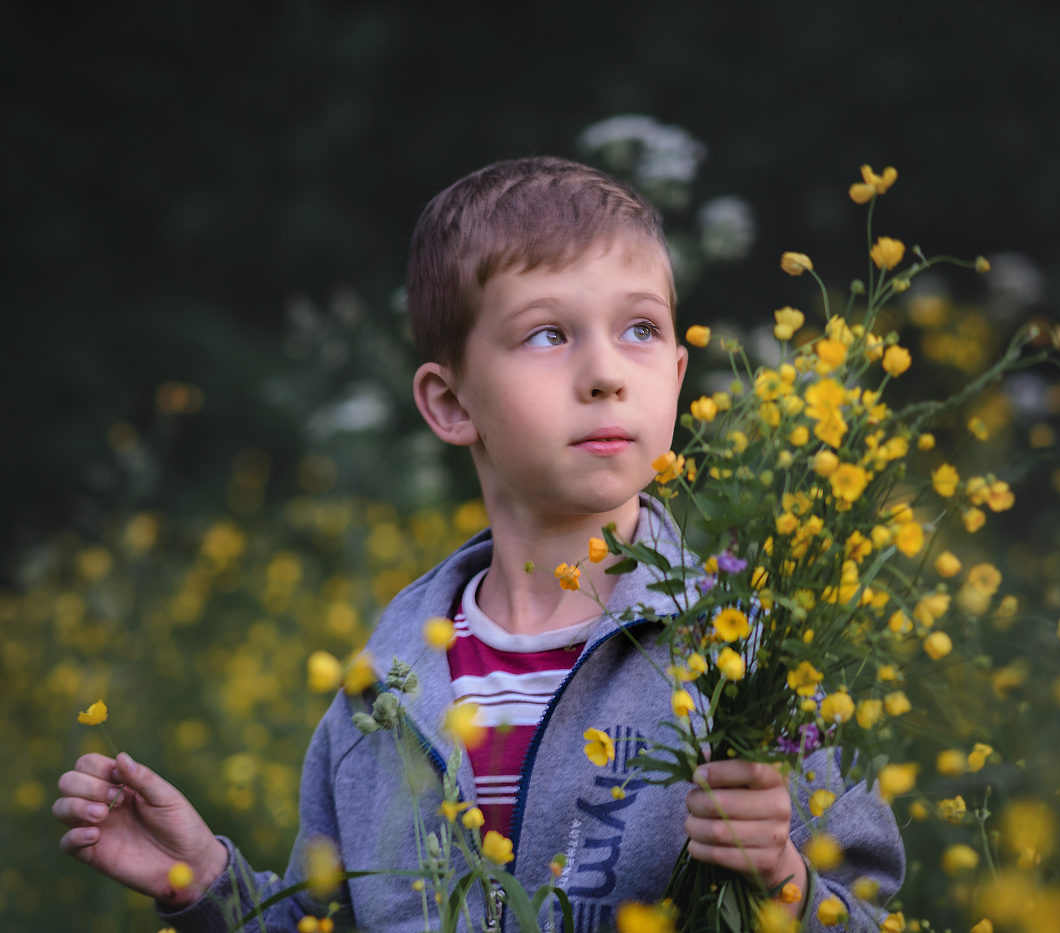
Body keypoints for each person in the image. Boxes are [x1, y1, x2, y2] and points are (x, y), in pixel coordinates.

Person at [53, 157, 903, 932]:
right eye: (548, 333)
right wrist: (205, 879)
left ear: (679, 375)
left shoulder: (750, 649)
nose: (606, 371)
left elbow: (869, 914)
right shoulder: (380, 688)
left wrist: (782, 879)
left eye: (640, 329)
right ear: (451, 404)